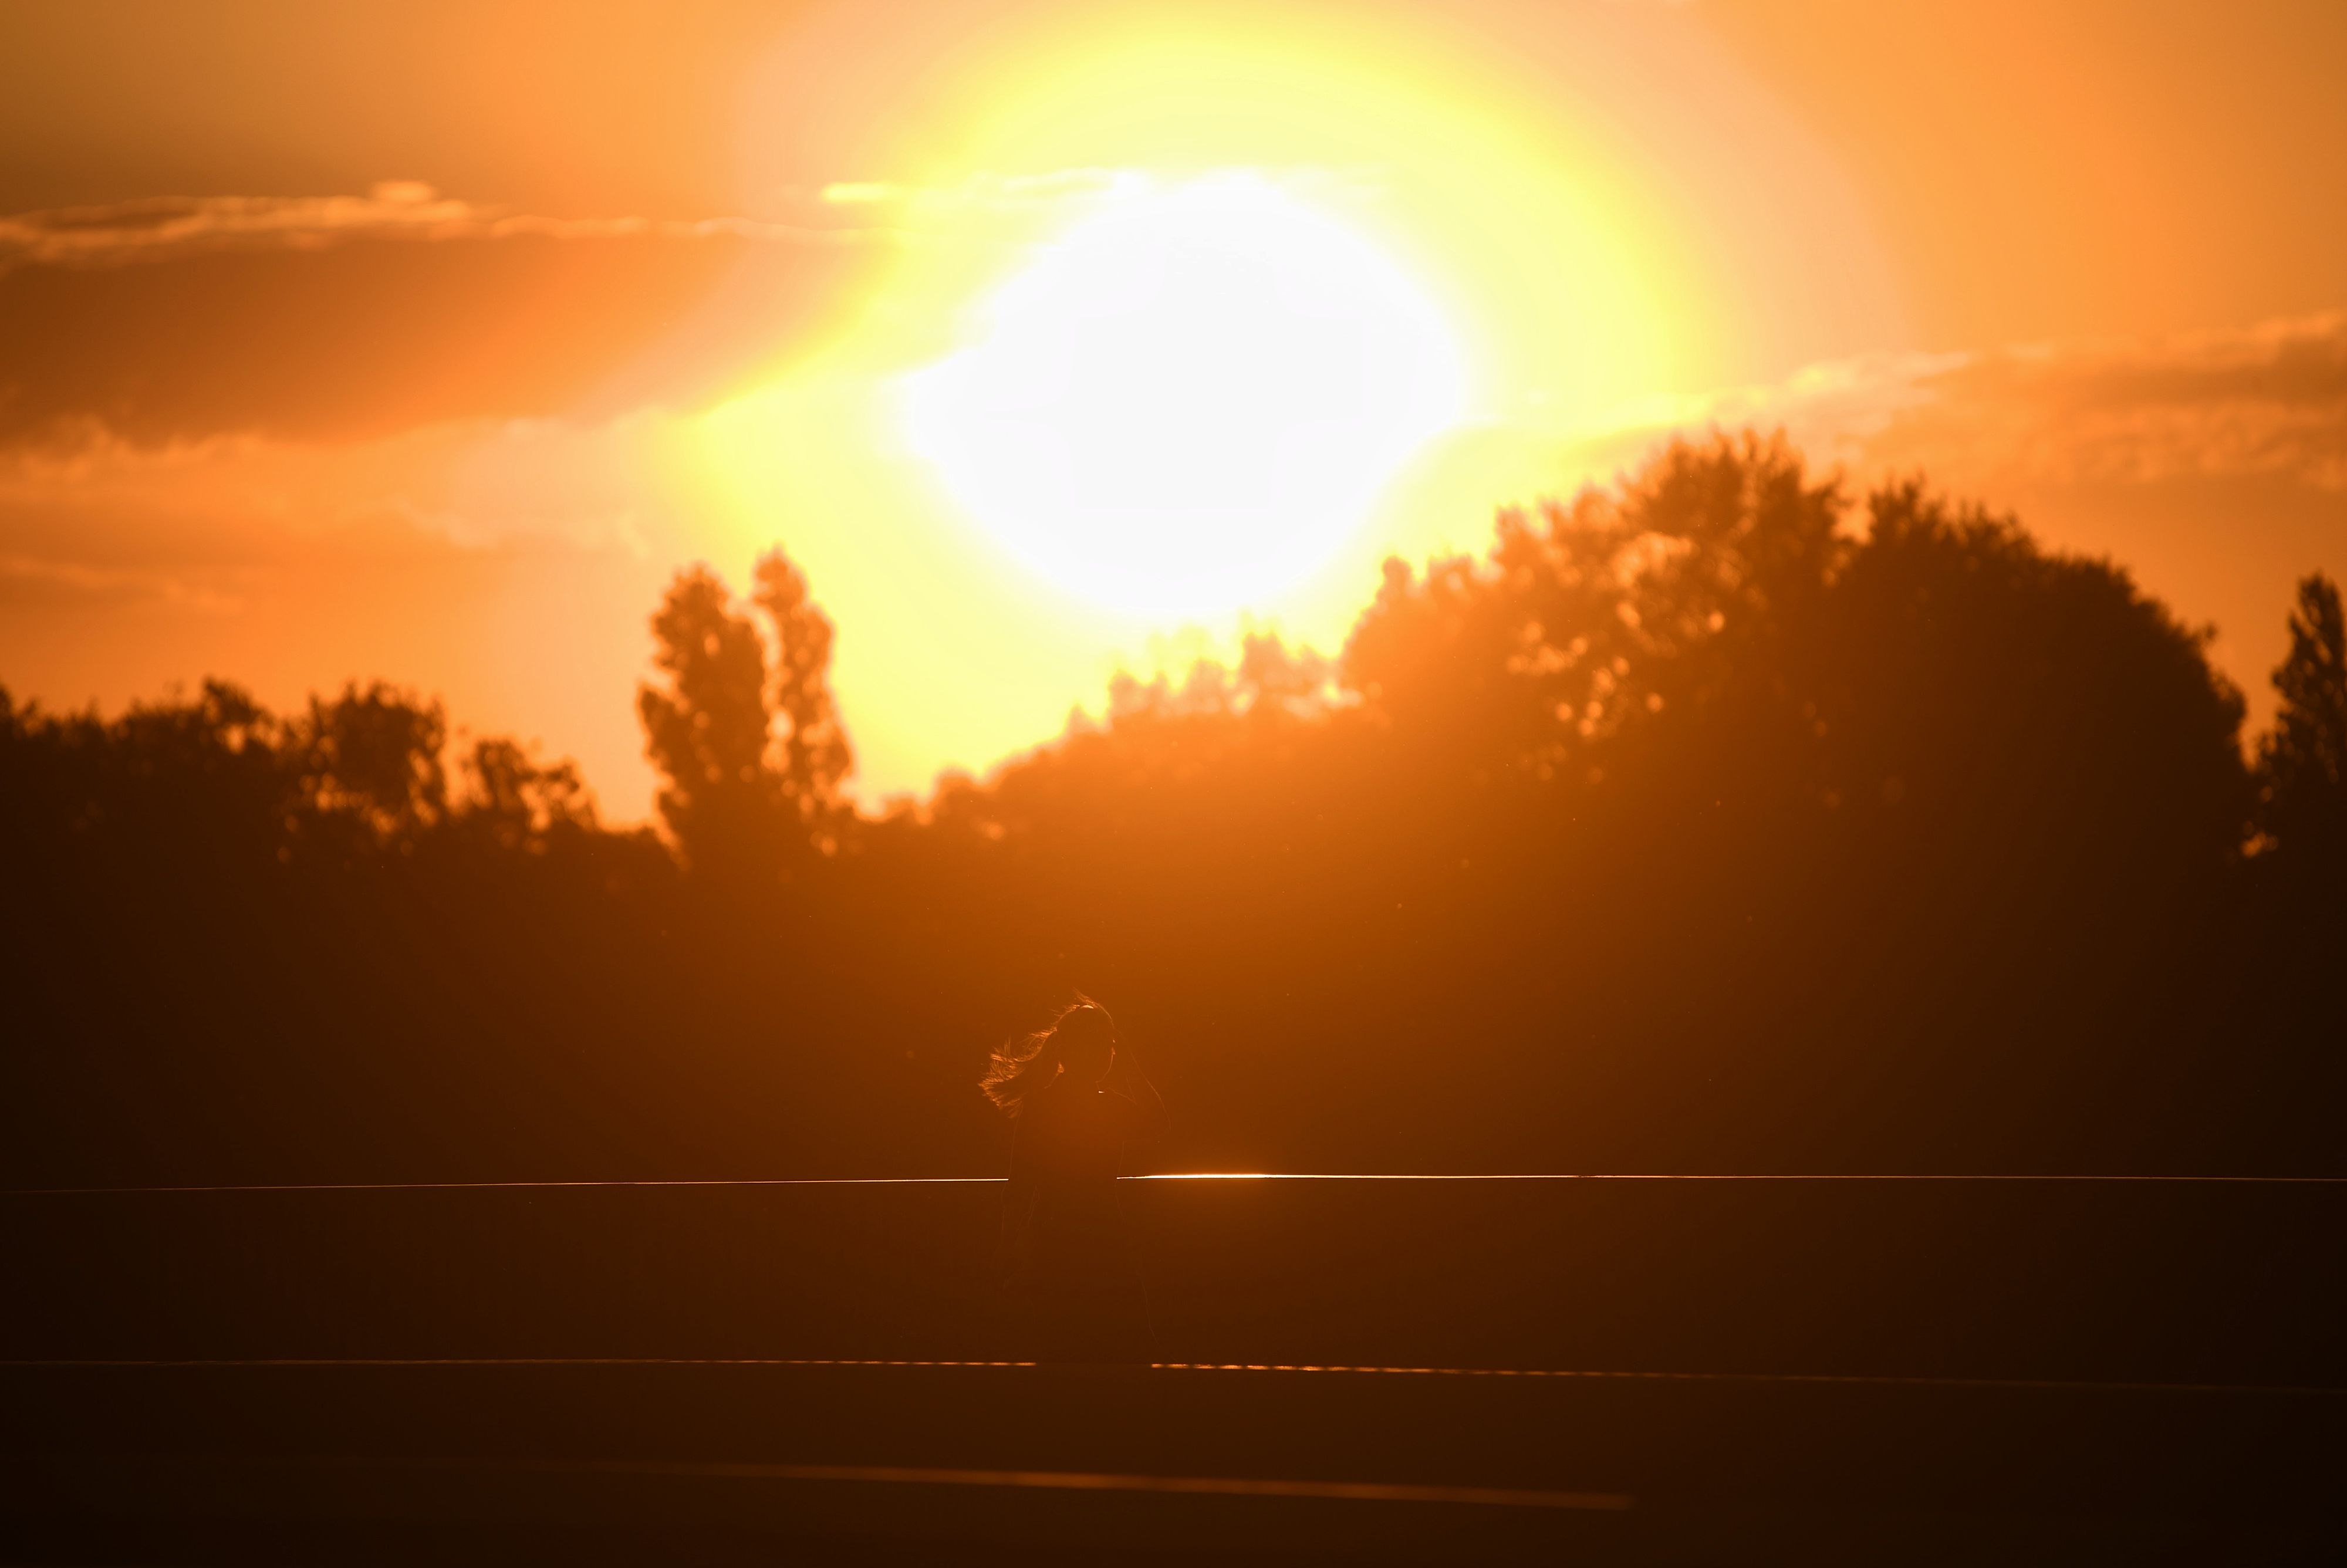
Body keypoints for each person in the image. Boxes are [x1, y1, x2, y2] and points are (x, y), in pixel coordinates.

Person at [981, 996, 1164, 1363]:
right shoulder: (1103, 1106)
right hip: (1100, 1241)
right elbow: (1159, 1123)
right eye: (1101, 1046)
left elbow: (1018, 1187)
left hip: (1057, 1241)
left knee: (1062, 1351)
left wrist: (1008, 1245)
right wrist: (1130, 1065)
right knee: (1127, 1351)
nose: (1104, 1054)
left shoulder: (1045, 1106)